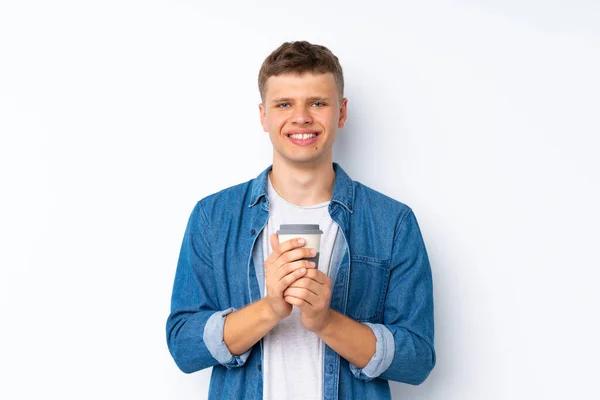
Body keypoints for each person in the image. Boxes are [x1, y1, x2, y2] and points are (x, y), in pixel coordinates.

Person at [166, 41, 436, 400]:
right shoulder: (213, 217)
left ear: (341, 113)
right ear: (264, 116)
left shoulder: (393, 222)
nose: (301, 118)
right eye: (284, 104)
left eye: (317, 103)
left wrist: (325, 321)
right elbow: (184, 346)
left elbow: (416, 361)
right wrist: (271, 308)